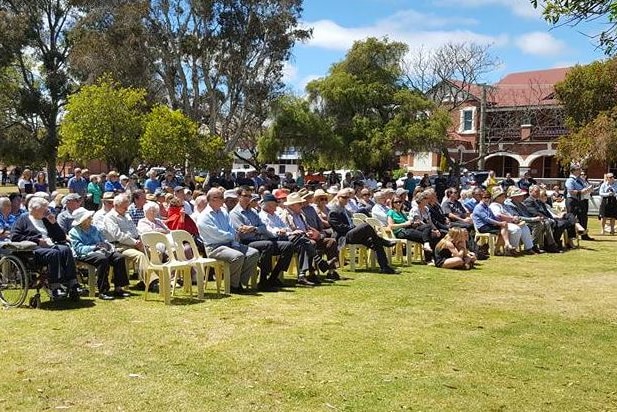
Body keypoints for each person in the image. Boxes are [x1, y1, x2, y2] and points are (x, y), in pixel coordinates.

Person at [11, 197, 83, 300]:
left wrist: (54, 223)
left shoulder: (45, 219)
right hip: (32, 250)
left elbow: (61, 237)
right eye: (44, 208)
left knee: (65, 249)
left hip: (50, 246)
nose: (47, 211)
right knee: (54, 253)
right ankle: (55, 286)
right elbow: (15, 236)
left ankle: (73, 283)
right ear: (34, 209)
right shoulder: (23, 219)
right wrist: (37, 240)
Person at [197, 188, 260, 294]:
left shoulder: (224, 212)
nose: (223, 200)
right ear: (212, 199)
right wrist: (232, 236)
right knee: (237, 256)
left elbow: (231, 228)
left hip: (229, 243)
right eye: (221, 197)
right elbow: (217, 235)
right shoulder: (204, 216)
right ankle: (233, 286)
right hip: (214, 247)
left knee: (253, 253)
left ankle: (239, 282)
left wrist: (233, 240)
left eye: (223, 197)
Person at [229, 187, 294, 290]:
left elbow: (263, 227)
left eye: (250, 196)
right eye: (245, 196)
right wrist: (256, 229)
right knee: (267, 245)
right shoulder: (235, 213)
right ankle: (263, 281)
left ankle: (273, 278)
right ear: (238, 197)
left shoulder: (253, 212)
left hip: (259, 239)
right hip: (245, 242)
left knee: (288, 246)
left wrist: (254, 229)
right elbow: (241, 231)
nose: (248, 198)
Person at [328, 189, 398, 274]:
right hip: (344, 236)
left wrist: (355, 227)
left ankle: (384, 266)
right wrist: (354, 227)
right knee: (366, 226)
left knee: (376, 242)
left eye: (348, 197)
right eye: (344, 197)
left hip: (352, 234)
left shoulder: (345, 209)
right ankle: (382, 240)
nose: (347, 199)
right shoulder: (333, 211)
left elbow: (351, 222)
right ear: (338, 198)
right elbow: (341, 228)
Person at [69, 207, 130, 300]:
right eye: (89, 218)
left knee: (119, 257)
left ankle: (118, 288)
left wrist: (107, 245)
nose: (91, 219)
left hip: (100, 251)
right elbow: (79, 249)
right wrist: (94, 247)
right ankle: (103, 290)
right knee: (102, 259)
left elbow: (103, 240)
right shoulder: (74, 232)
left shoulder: (94, 229)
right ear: (83, 221)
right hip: (84, 254)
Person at [471, 188, 517, 256]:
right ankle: (500, 248)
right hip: (482, 227)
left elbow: (493, 217)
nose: (487, 199)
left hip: (489, 225)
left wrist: (501, 221)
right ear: (481, 198)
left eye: (488, 197)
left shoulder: (487, 207)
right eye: (485, 197)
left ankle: (504, 246)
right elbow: (487, 219)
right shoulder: (478, 207)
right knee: (503, 229)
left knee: (504, 227)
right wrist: (499, 223)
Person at [565, 164, 594, 240]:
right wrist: (581, 191)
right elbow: (571, 191)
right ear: (573, 171)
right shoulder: (570, 180)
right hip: (572, 200)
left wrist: (588, 189)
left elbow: (585, 187)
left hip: (581, 200)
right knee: (571, 218)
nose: (580, 171)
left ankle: (584, 235)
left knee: (583, 217)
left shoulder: (581, 179)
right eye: (578, 169)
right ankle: (571, 236)